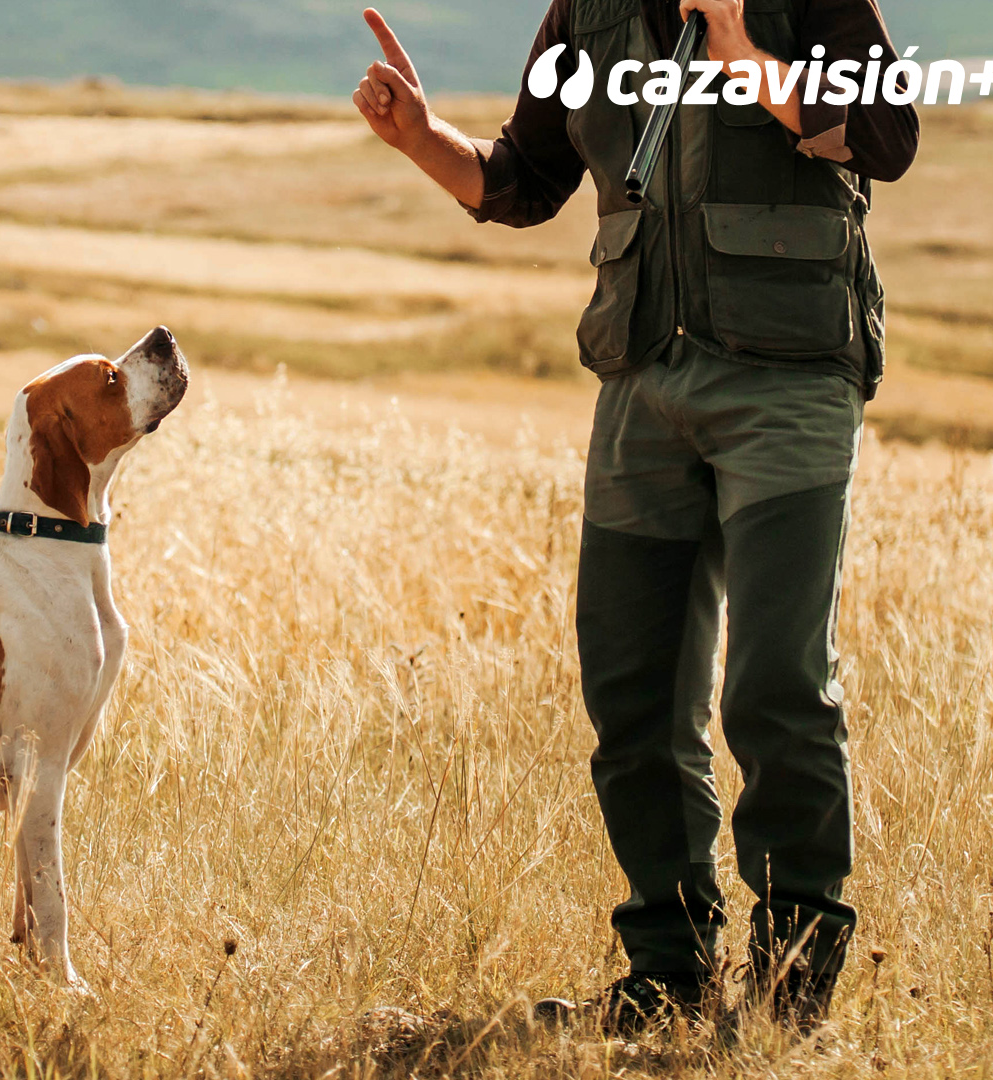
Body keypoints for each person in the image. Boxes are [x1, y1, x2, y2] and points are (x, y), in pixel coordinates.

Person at [352, 0, 918, 1035]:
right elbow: (524, 181)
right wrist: (422, 139)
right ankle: (669, 981)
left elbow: (885, 136)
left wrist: (742, 51)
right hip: (643, 379)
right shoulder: (587, 12)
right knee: (633, 695)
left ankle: (791, 993)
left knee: (775, 687)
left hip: (789, 376)